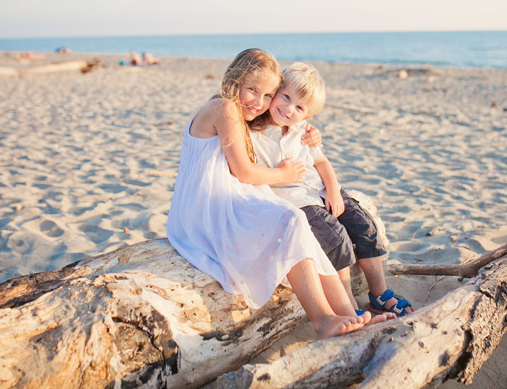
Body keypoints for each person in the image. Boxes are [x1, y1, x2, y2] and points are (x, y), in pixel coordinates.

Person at [166, 49, 394, 339]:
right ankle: (323, 319)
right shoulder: (224, 108)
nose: (259, 102)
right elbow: (244, 172)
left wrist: (310, 132)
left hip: (225, 196)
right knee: (292, 219)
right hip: (205, 206)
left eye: (267, 95)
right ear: (234, 79)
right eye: (252, 90)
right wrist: (285, 175)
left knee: (299, 223)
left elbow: (280, 129)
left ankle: (348, 315)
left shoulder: (241, 114)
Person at [250, 62, 413, 316]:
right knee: (337, 240)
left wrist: (334, 190)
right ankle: (347, 306)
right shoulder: (257, 131)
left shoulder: (303, 131)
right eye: (285, 97)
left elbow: (322, 162)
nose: (288, 108)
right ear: (276, 91)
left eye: (299, 107)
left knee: (365, 226)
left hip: (321, 191)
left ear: (308, 116)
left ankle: (379, 294)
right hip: (297, 200)